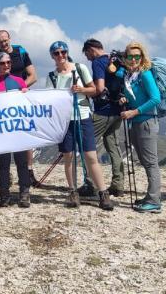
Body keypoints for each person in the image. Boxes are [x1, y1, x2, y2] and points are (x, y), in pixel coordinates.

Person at [42, 40, 115, 211]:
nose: (60, 56)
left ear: (67, 53)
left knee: (91, 156)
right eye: (56, 53)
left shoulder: (80, 69)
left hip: (82, 116)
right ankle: (73, 191)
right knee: (68, 157)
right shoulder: (52, 77)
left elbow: (95, 89)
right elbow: (48, 99)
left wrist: (80, 90)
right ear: (52, 56)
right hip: (64, 120)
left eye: (63, 52)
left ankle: (103, 193)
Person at [0, 29, 38, 181]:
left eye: (5, 40)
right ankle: (6, 177)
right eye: (0, 41)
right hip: (2, 101)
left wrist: (19, 88)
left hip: (20, 96)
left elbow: (33, 75)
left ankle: (28, 171)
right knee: (4, 137)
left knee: (24, 135)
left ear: (9, 38)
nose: (4, 43)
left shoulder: (21, 51)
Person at [78, 38, 125, 198]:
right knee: (113, 145)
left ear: (91, 49)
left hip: (103, 111)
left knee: (88, 145)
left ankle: (90, 184)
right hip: (118, 110)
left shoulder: (97, 62)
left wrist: (81, 90)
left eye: (87, 54)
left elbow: (98, 88)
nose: (87, 57)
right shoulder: (114, 60)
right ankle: (118, 185)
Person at [0, 51, 32, 208]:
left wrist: (26, 94)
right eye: (2, 63)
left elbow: (27, 105)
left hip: (18, 129)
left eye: (8, 63)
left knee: (22, 162)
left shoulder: (19, 81)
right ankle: (4, 193)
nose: (6, 65)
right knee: (3, 164)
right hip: (2, 131)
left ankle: (24, 193)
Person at [119, 41, 162, 213]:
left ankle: (154, 201)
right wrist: (126, 100)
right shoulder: (130, 76)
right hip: (137, 122)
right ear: (126, 57)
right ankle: (151, 196)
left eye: (138, 56)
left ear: (142, 57)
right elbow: (138, 97)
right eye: (131, 56)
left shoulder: (145, 74)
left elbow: (155, 99)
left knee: (151, 162)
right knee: (145, 161)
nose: (135, 59)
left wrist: (134, 112)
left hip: (146, 122)